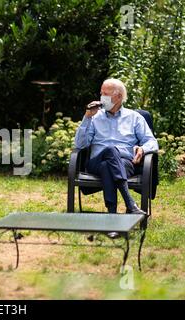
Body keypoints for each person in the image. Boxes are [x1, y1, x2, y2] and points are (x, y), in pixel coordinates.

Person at [74, 78, 158, 228]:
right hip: (96, 162)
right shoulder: (94, 117)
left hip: (125, 163)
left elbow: (152, 142)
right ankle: (130, 203)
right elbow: (80, 144)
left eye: (106, 94)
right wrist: (86, 117)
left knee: (109, 165)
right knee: (111, 150)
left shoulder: (134, 117)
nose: (101, 98)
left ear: (119, 97)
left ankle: (112, 215)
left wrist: (143, 149)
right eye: (101, 93)